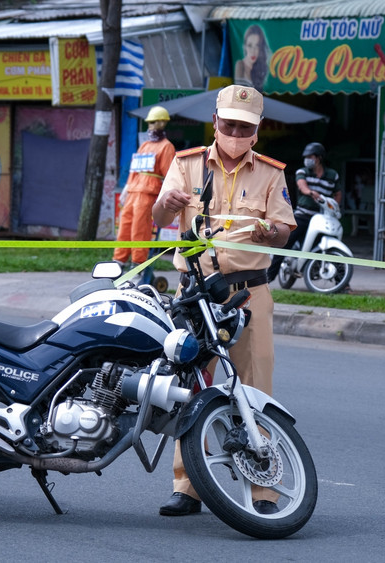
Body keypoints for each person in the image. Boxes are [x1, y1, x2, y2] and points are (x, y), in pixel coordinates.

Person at [152, 85, 295, 516]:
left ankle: (264, 490)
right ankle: (187, 486)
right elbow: (159, 216)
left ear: (257, 130)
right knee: (190, 388)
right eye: (229, 125)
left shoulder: (270, 173)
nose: (235, 134)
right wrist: (167, 202)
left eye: (244, 128)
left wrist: (271, 232)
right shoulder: (186, 164)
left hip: (249, 292)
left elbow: (284, 231)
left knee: (255, 388)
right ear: (215, 122)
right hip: (194, 293)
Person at [267, 142, 341, 282]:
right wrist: (311, 193)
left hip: (322, 219)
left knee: (329, 247)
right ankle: (269, 278)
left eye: (310, 157)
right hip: (303, 216)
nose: (307, 160)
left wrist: (335, 206)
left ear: (318, 158)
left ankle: (342, 282)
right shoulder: (302, 172)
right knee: (285, 243)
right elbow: (302, 186)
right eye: (306, 157)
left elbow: (337, 193)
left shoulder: (332, 175)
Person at [113, 106, 176, 266]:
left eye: (154, 122)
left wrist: (166, 196)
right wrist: (127, 188)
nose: (150, 126)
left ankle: (137, 262)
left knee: (140, 227)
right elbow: (134, 169)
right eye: (149, 123)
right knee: (125, 225)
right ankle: (119, 259)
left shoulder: (166, 146)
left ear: (163, 123)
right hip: (133, 190)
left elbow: (169, 174)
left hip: (148, 193)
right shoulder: (144, 145)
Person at [234, 25, 270, 92]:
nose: (253, 51)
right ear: (245, 47)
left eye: (257, 46)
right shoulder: (240, 65)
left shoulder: (259, 69)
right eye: (250, 45)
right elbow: (239, 94)